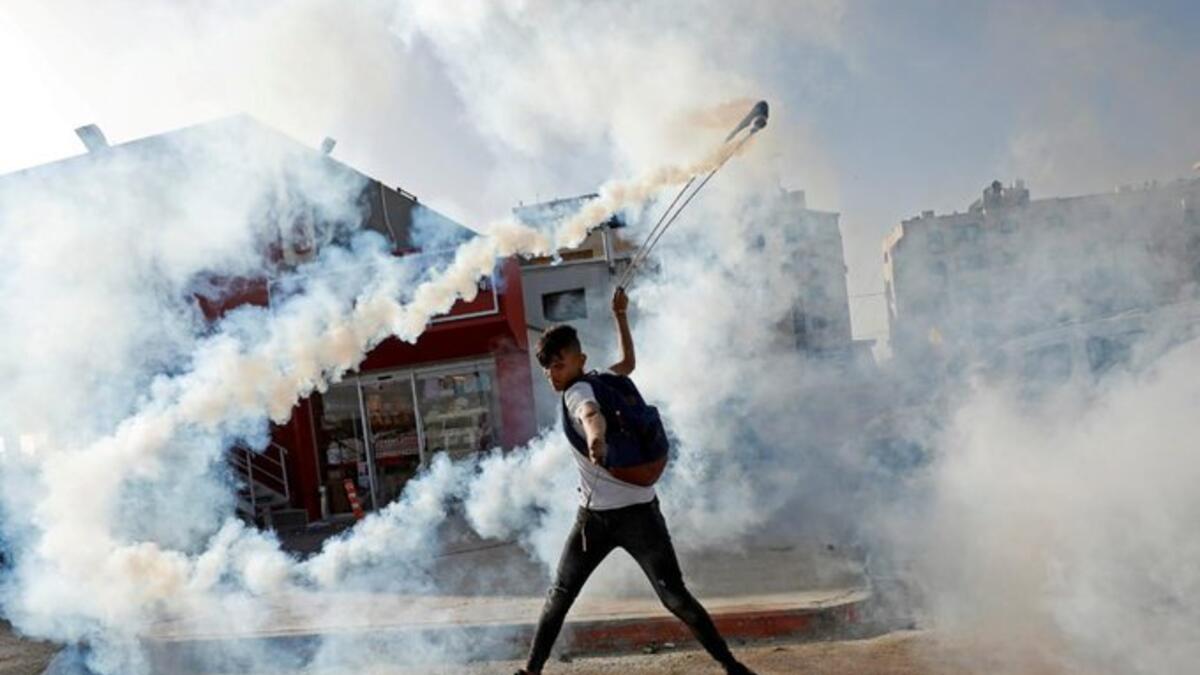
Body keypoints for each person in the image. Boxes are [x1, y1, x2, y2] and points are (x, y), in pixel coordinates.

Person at [515, 287, 755, 675]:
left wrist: (597, 438)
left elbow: (591, 415)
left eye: (558, 364)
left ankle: (731, 664)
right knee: (665, 597)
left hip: (626, 518)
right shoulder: (601, 378)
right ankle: (732, 667)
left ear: (579, 359)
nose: (551, 374)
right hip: (604, 517)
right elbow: (628, 362)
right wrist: (620, 316)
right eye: (546, 367)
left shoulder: (580, 392)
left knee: (660, 597)